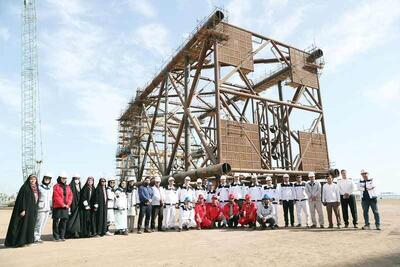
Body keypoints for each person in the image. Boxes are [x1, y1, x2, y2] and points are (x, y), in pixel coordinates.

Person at [5, 174, 39, 247]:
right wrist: (23, 209)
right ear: (28, 180)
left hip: (32, 210)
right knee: (23, 226)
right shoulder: (25, 188)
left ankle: (28, 241)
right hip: (25, 210)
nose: (33, 181)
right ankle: (21, 242)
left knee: (30, 226)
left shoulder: (36, 188)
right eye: (31, 179)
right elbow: (22, 199)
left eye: (34, 179)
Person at [52, 173, 73, 241]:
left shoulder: (68, 187)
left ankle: (62, 236)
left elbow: (70, 196)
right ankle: (56, 236)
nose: (64, 179)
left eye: (65, 178)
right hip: (58, 207)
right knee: (56, 222)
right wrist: (62, 204)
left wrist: (68, 204)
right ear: (59, 178)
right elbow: (56, 196)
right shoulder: (56, 186)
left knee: (63, 222)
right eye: (63, 178)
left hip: (65, 207)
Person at [34, 172, 53, 243]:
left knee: (43, 224)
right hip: (41, 208)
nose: (47, 179)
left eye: (49, 178)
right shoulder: (39, 187)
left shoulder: (50, 188)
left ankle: (39, 237)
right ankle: (35, 237)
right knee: (39, 223)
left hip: (47, 208)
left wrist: (51, 207)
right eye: (46, 178)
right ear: (43, 178)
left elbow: (51, 198)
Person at [66, 174, 82, 238]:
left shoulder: (79, 186)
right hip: (72, 206)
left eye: (78, 179)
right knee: (71, 220)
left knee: (77, 220)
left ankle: (76, 232)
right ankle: (69, 233)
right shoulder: (70, 186)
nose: (77, 180)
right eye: (76, 179)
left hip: (78, 206)